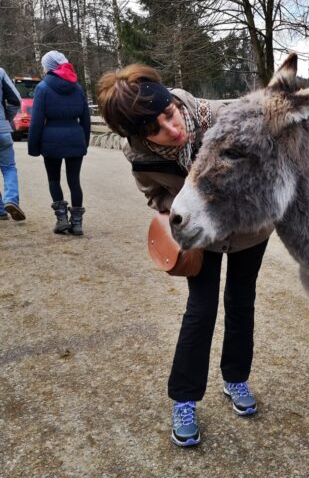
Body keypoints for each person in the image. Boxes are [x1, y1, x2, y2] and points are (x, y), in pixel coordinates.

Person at [96, 64, 272, 448]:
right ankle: (185, 399)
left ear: (174, 102)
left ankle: (236, 378)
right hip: (200, 239)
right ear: (137, 136)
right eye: (155, 129)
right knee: (201, 310)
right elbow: (154, 196)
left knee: (242, 301)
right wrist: (180, 205)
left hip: (249, 230)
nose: (172, 130)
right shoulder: (139, 156)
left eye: (169, 114)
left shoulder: (224, 120)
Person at [28, 50, 90, 235]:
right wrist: (84, 143)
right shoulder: (77, 88)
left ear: (49, 66)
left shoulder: (43, 88)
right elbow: (85, 119)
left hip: (51, 140)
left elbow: (37, 121)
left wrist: (34, 147)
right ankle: (77, 223)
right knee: (74, 181)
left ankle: (62, 219)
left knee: (54, 179)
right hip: (75, 138)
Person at [0, 66, 26, 221]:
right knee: (9, 168)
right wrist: (6, 120)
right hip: (2, 129)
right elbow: (16, 100)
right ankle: (11, 200)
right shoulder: (1, 72)